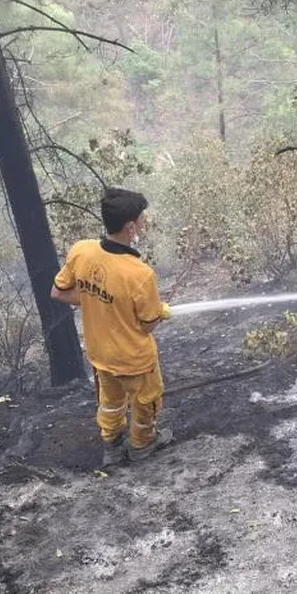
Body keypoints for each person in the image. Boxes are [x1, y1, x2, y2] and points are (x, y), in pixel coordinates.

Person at [52, 187, 173, 466]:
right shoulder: (139, 274)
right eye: (142, 220)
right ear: (130, 227)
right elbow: (147, 326)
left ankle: (112, 448)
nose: (144, 224)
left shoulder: (82, 252)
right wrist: (160, 312)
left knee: (111, 401)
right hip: (135, 361)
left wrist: (98, 300)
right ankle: (142, 445)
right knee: (146, 401)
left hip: (101, 355)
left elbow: (58, 293)